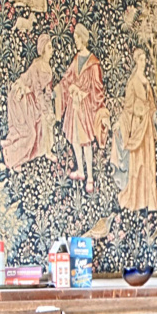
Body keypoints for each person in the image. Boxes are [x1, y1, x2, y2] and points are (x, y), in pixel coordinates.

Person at [55, 22, 109, 190]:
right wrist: (60, 89)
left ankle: (90, 177)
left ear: (83, 39)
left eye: (77, 39)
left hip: (85, 107)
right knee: (75, 140)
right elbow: (68, 78)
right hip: (74, 106)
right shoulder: (76, 59)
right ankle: (80, 170)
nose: (75, 42)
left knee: (85, 142)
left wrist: (99, 108)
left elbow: (97, 88)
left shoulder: (93, 63)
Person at [115, 49, 157, 211]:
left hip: (147, 126)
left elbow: (152, 106)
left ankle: (149, 200)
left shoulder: (146, 82)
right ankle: (136, 199)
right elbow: (128, 108)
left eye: (144, 59)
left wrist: (156, 120)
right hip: (137, 126)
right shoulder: (133, 82)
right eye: (141, 60)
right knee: (138, 163)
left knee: (149, 163)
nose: (144, 62)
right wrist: (120, 123)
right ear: (136, 61)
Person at [1, 31, 55, 170]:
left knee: (40, 127)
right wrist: (45, 109)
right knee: (29, 133)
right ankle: (11, 158)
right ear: (43, 49)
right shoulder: (36, 65)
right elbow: (37, 90)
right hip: (21, 97)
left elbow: (47, 91)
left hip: (31, 100)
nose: (52, 50)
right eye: (49, 47)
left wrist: (49, 109)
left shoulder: (49, 69)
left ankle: (43, 152)